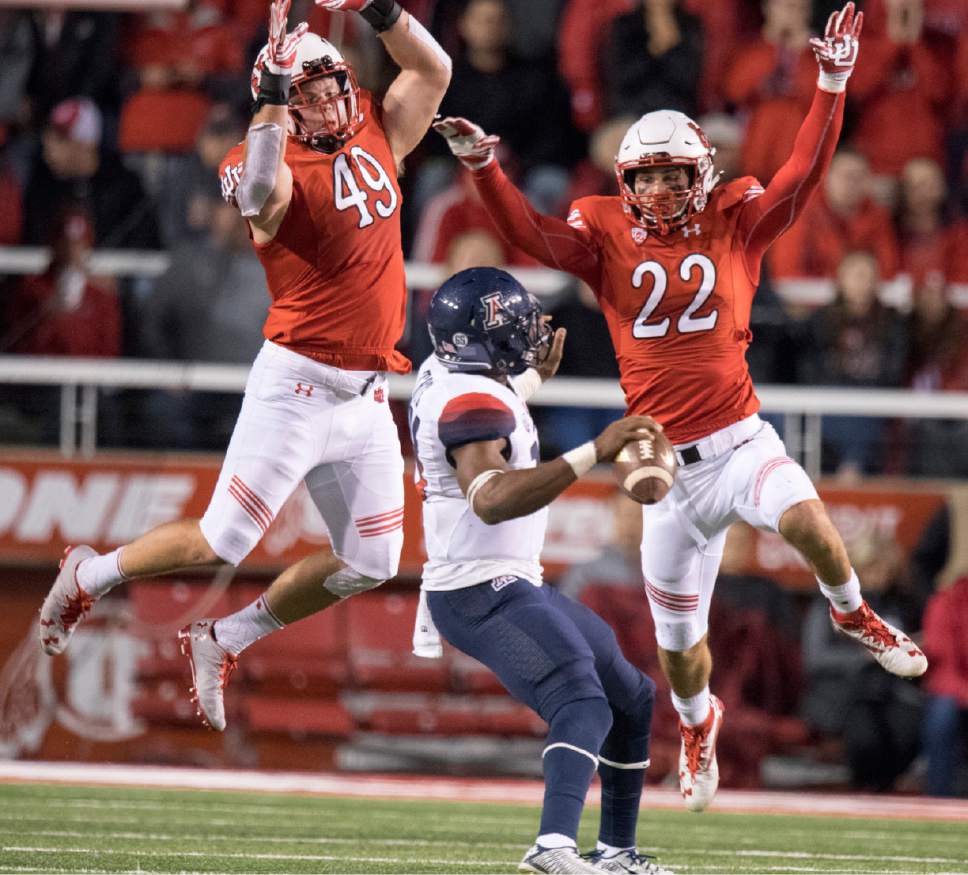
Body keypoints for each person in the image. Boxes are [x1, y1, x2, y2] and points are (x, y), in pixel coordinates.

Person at [433, 1, 928, 814]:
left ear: (699, 171)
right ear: (626, 182)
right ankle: (700, 727)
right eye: (647, 175)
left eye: (672, 172)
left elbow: (803, 171)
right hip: (662, 462)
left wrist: (831, 83)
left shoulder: (737, 221)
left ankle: (854, 613)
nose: (660, 188)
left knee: (810, 525)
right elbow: (532, 236)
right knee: (682, 654)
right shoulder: (605, 236)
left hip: (738, 438)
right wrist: (486, 170)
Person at [38, 0, 451, 732]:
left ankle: (226, 635)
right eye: (307, 94)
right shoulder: (259, 156)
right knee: (222, 539)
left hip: (365, 395)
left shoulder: (378, 129)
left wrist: (379, 8)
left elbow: (433, 67)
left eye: (331, 86)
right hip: (297, 384)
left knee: (374, 558)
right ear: (281, 106)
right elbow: (260, 194)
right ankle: (88, 573)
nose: (326, 102)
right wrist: (266, 101)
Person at [412, 266, 671, 874]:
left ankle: (615, 854)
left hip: (506, 578)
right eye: (515, 324)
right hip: (478, 589)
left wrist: (532, 377)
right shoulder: (467, 399)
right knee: (581, 700)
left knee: (631, 696)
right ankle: (552, 848)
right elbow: (491, 496)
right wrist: (593, 452)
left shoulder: (449, 374)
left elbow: (492, 410)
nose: (530, 331)